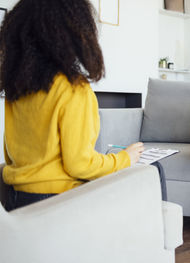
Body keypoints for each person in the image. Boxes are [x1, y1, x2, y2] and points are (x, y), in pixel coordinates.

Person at [0, 0, 144, 211]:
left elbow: (10, 152)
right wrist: (124, 158)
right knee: (150, 170)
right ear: (76, 33)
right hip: (57, 200)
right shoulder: (73, 88)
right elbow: (79, 164)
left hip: (14, 198)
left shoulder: (18, 88)